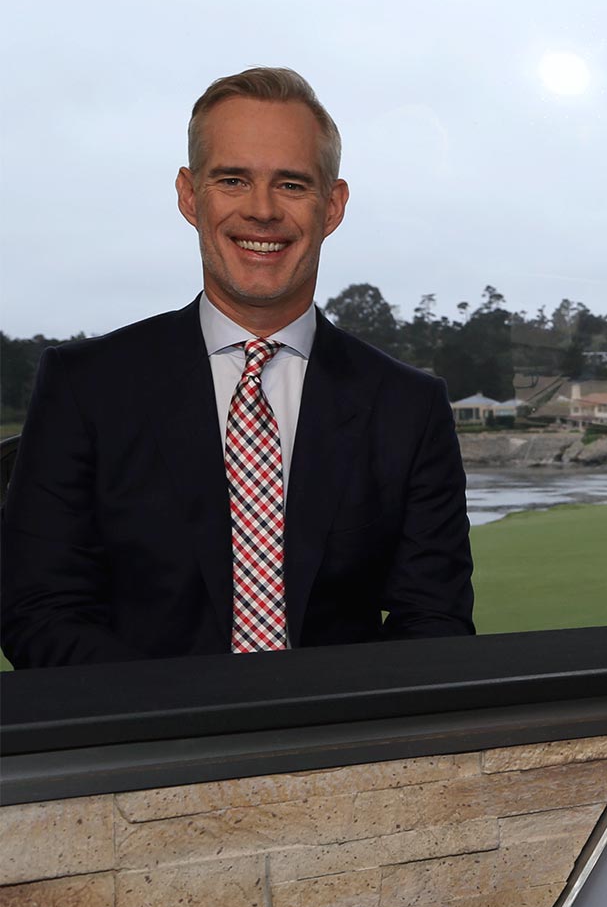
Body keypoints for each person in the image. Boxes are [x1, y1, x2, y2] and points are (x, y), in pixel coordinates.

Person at [2, 67, 474, 668]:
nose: (262, 211)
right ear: (189, 195)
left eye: (292, 185)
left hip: (342, 727)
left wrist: (325, 722)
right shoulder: (84, 387)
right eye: (232, 180)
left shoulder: (409, 407)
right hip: (142, 727)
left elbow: (435, 622)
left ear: (332, 206)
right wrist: (190, 717)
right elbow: (39, 613)